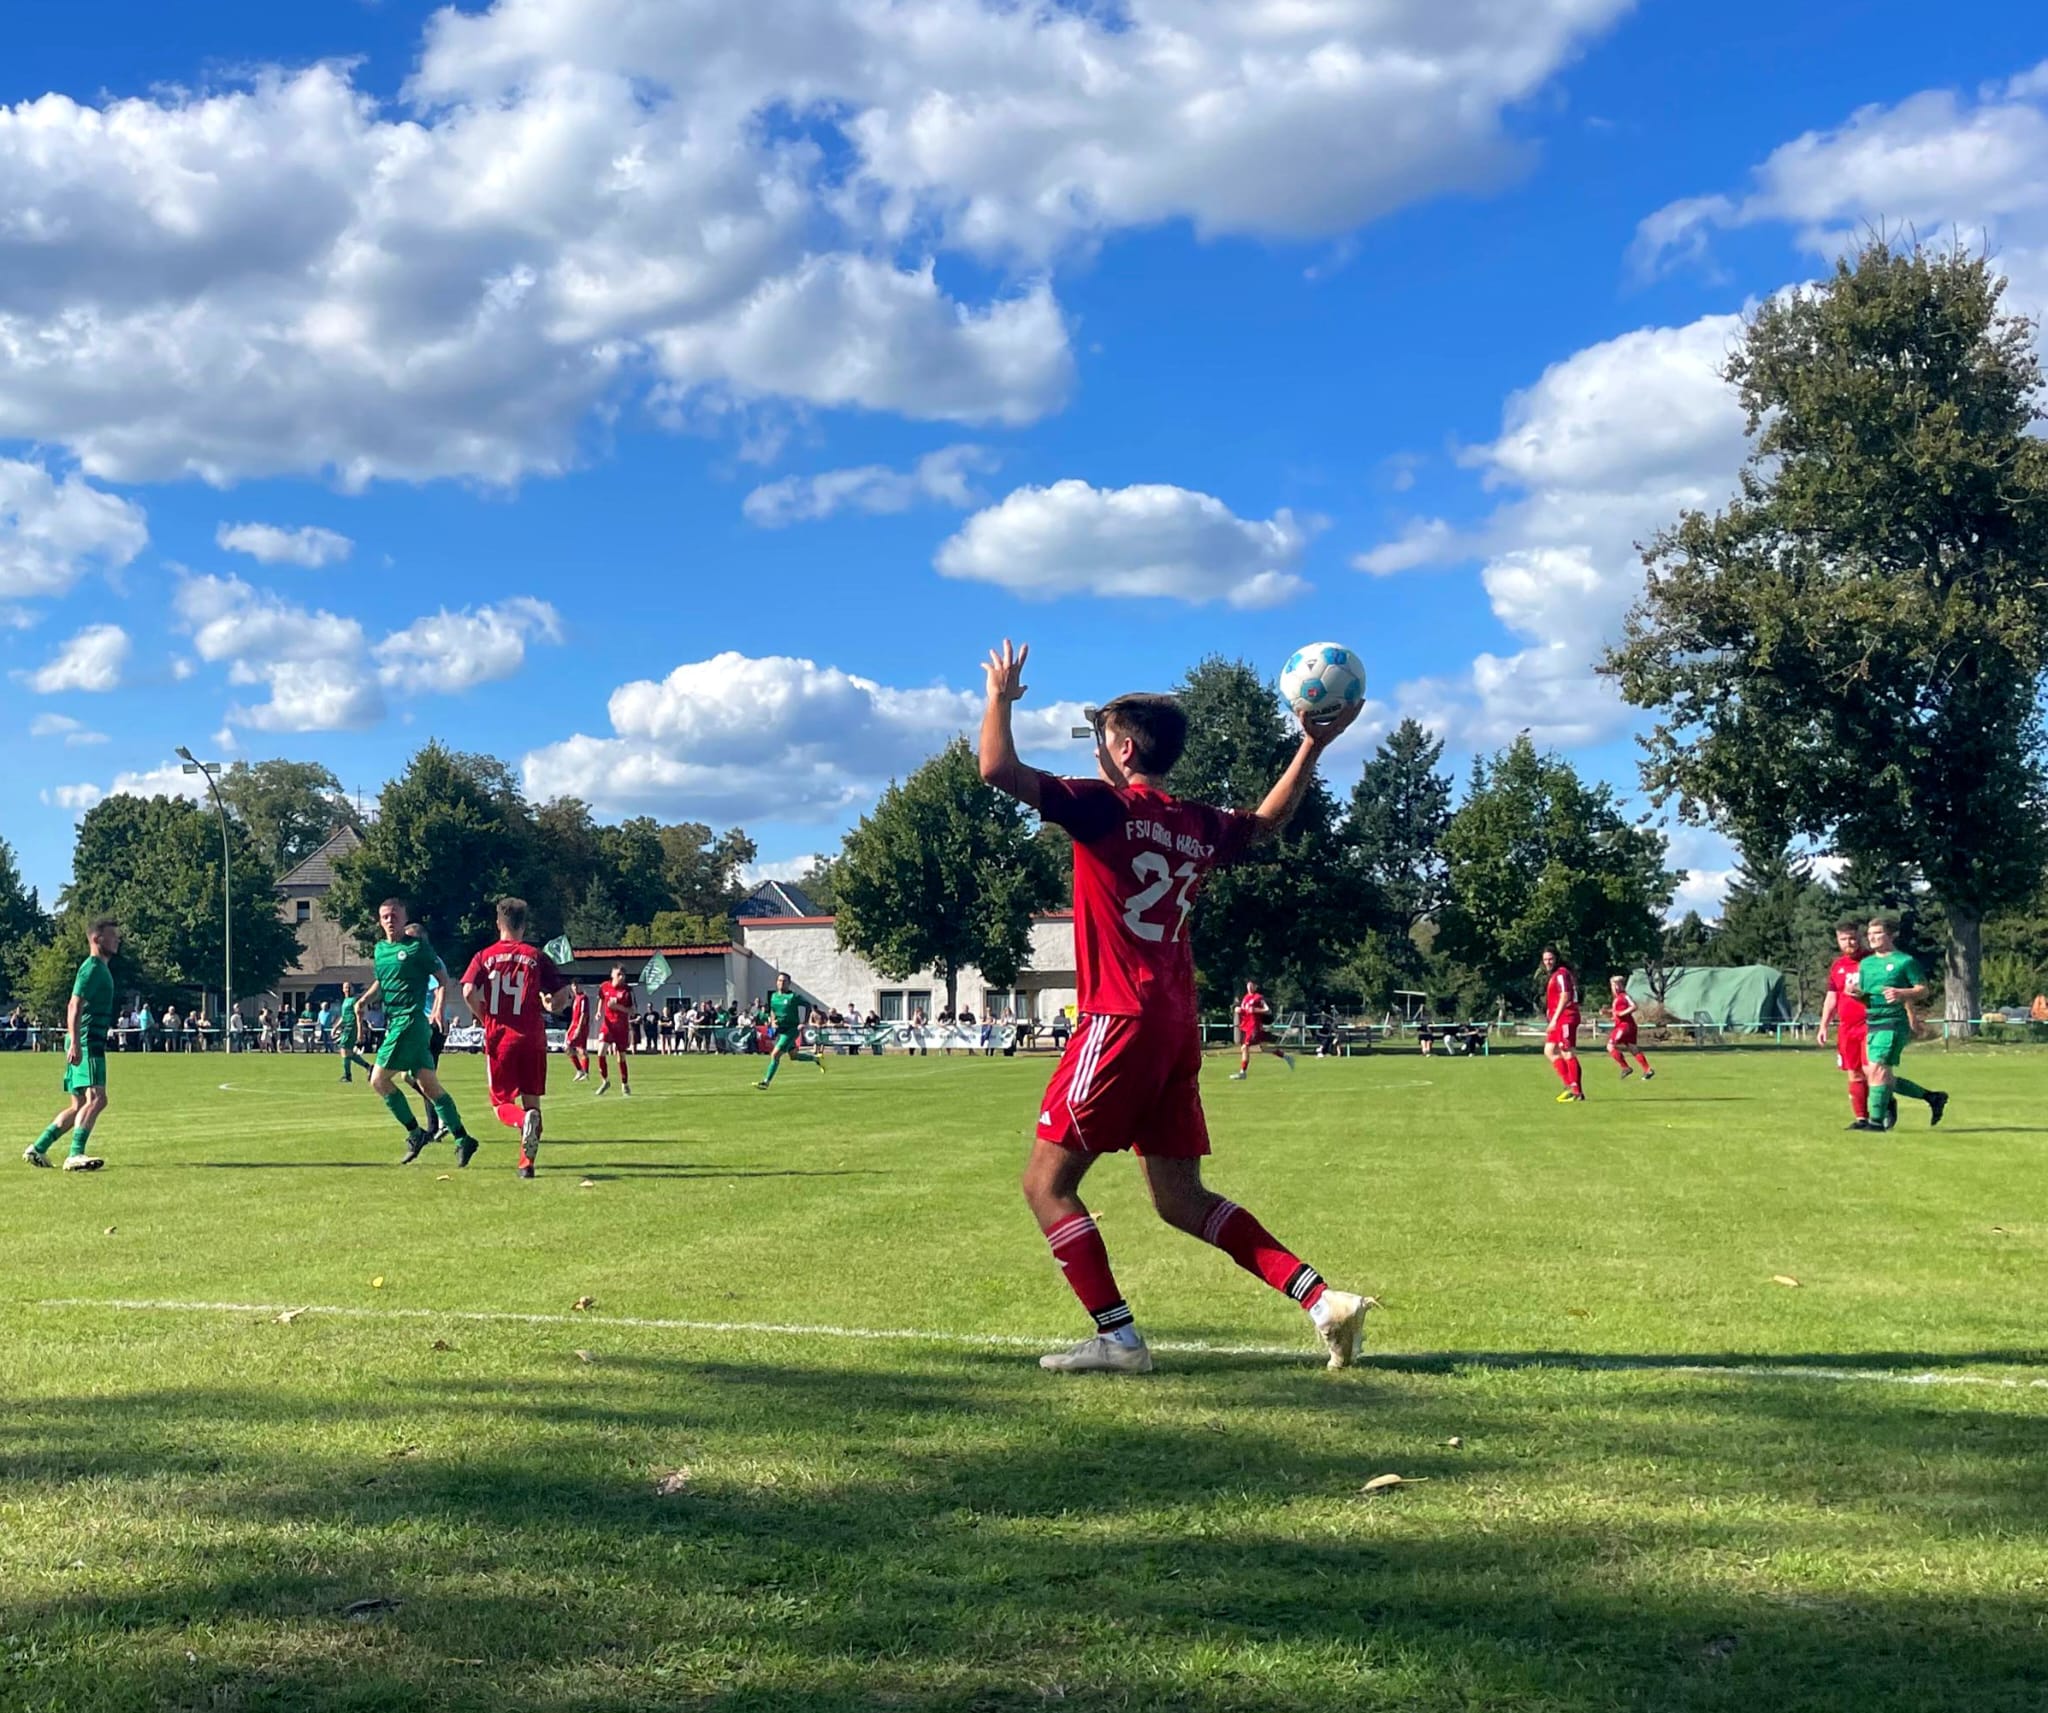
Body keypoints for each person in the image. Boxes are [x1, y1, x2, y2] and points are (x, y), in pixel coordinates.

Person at [978, 638, 1371, 1375]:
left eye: (1103, 737)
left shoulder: (1102, 809)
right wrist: (1308, 748)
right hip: (1173, 1023)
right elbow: (1264, 822)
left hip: (1115, 1018)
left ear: (1123, 749)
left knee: (1045, 1183)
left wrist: (1000, 695)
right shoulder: (1194, 822)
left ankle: (1118, 1338)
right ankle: (1323, 1299)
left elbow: (996, 768)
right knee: (1179, 1198)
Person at [356, 898, 477, 1165]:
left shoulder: (417, 948)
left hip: (408, 1022)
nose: (390, 920)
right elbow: (382, 981)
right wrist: (364, 1000)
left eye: (395, 915)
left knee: (378, 1080)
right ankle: (463, 1138)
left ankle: (415, 1133)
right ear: (380, 920)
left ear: (404, 917)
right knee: (428, 1085)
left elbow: (443, 979)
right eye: (385, 916)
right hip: (399, 1022)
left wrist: (438, 1006)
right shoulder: (379, 950)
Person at [461, 897, 573, 1178]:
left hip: (500, 1037)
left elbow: (466, 991)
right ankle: (526, 1165)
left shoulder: (483, 956)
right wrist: (551, 1005)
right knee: (532, 1100)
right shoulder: (536, 956)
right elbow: (561, 997)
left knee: (500, 1104)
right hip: (533, 1037)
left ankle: (523, 1122)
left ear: (498, 923)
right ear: (524, 924)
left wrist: (483, 1015)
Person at [24, 917, 120, 1171]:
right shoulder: (92, 968)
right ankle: (75, 1154)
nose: (117, 939)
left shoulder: (100, 969)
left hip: (84, 1039)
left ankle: (38, 1148)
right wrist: (76, 1043)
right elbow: (74, 1004)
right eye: (113, 935)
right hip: (88, 1041)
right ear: (97, 939)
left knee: (78, 1104)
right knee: (98, 1099)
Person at [1855, 916, 1948, 1132]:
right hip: (1873, 1021)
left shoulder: (1904, 961)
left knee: (1878, 1069)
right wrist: (1856, 995)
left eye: (1877, 933)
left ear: (1890, 935)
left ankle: (1875, 1122)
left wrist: (1901, 993)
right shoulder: (1866, 964)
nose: (1872, 938)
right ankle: (1932, 1097)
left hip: (1894, 1022)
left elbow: (1923, 989)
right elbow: (1867, 997)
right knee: (1876, 1073)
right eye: (1869, 935)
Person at [1817, 921, 1873, 1130]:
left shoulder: (1870, 961)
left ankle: (1882, 1106)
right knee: (1854, 1072)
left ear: (1859, 937)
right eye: (1844, 939)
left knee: (1871, 1070)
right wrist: (1823, 1026)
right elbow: (1831, 998)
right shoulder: (1838, 966)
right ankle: (1861, 1118)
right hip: (1846, 1028)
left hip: (1870, 1024)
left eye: (1853, 938)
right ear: (1838, 940)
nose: (1849, 942)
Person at [756, 971, 827, 1089]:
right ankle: (816, 1058)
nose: (781, 983)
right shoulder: (773, 996)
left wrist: (803, 1022)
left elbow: (808, 1005)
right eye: (779, 981)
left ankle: (766, 1082)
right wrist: (773, 1021)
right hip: (781, 1030)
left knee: (775, 1055)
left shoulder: (793, 996)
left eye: (784, 981)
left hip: (791, 1030)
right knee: (793, 1056)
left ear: (789, 983)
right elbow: (773, 1010)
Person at [1541, 947, 1584, 1103]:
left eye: (1550, 958)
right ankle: (1569, 1085)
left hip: (1566, 1017)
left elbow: (1565, 996)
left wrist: (1554, 1019)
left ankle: (1577, 1092)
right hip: (1558, 1018)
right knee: (1549, 1050)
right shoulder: (1555, 975)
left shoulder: (1561, 973)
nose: (1547, 962)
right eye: (1545, 959)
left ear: (1557, 958)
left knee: (1567, 1052)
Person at [1230, 978, 1295, 1079]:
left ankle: (1243, 1073)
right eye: (1248, 985)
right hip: (1246, 1026)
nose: (1250, 986)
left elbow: (1268, 1010)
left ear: (1255, 987)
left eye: (1252, 985)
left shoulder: (1258, 997)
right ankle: (1287, 1057)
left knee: (1245, 1047)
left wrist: (1256, 1009)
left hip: (1254, 1026)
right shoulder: (1246, 998)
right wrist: (1239, 1010)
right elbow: (1245, 1012)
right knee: (1264, 1048)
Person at [1605, 975, 1654, 1080]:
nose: (1613, 987)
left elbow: (1634, 1006)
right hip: (1626, 1026)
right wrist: (1608, 1013)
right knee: (1633, 1048)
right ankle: (1647, 1070)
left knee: (1610, 1046)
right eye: (1612, 985)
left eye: (1615, 985)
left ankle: (1625, 1067)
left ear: (1620, 986)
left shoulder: (1624, 996)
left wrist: (1622, 1013)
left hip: (1624, 1026)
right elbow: (1616, 1014)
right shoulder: (1617, 999)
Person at [595, 964, 634, 1096]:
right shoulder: (604, 986)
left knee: (621, 1056)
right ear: (612, 974)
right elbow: (601, 998)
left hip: (621, 1027)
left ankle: (624, 1084)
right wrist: (598, 1012)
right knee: (601, 1052)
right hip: (607, 1025)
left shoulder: (627, 991)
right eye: (618, 974)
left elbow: (632, 1010)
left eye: (623, 975)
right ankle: (605, 1081)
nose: (621, 977)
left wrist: (616, 1006)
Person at [335, 980, 372, 1082]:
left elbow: (359, 1015)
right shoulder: (345, 1001)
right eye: (345, 987)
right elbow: (343, 1016)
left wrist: (360, 1031)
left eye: (349, 987)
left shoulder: (354, 1000)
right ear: (343, 989)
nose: (347, 989)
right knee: (349, 1052)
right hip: (345, 1027)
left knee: (344, 1050)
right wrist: (336, 1027)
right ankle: (368, 1067)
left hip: (351, 1027)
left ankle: (347, 1075)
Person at [565, 982, 592, 1080]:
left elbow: (583, 1014)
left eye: (577, 985)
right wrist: (570, 1029)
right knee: (570, 1048)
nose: (575, 987)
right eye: (573, 985)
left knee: (578, 1049)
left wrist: (579, 1028)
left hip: (581, 1027)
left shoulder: (583, 998)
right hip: (574, 1026)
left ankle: (583, 1071)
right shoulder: (576, 998)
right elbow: (574, 1017)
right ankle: (582, 1071)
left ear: (581, 986)